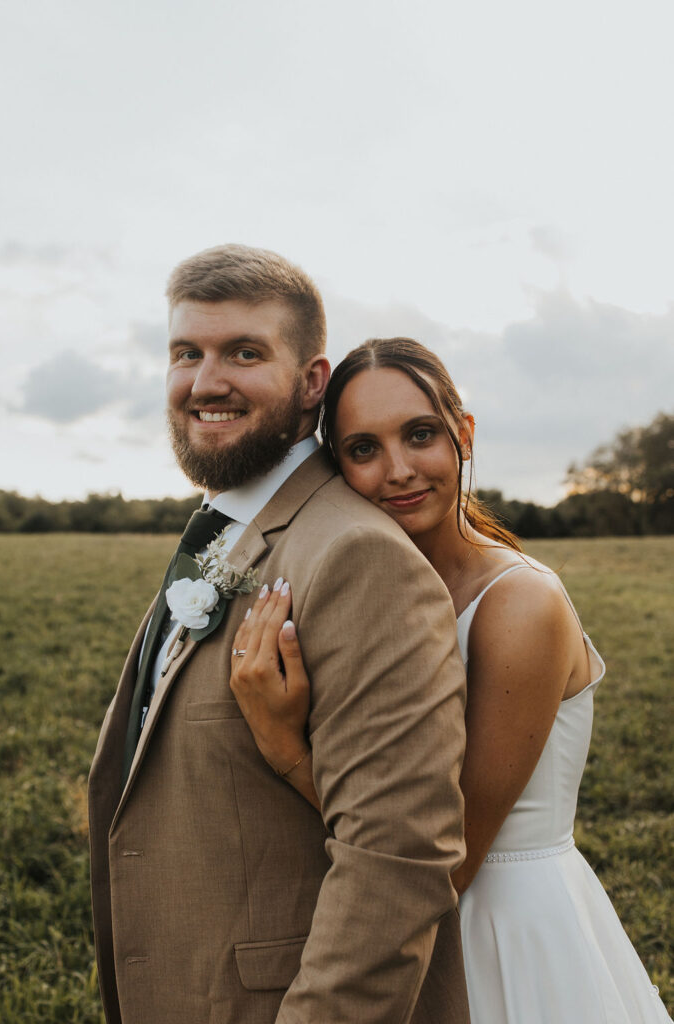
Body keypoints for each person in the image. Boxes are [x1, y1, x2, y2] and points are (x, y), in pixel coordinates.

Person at [229, 336, 672, 1024]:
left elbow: (446, 854)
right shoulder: (374, 593)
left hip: (498, 927)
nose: (398, 469)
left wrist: (285, 747)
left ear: (462, 434)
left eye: (420, 434)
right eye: (362, 449)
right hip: (400, 920)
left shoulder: (520, 604)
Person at [88, 248, 471, 1024]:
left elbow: (394, 859)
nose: (205, 381)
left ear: (311, 382)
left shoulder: (353, 553)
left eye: (244, 352)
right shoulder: (230, 527)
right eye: (185, 353)